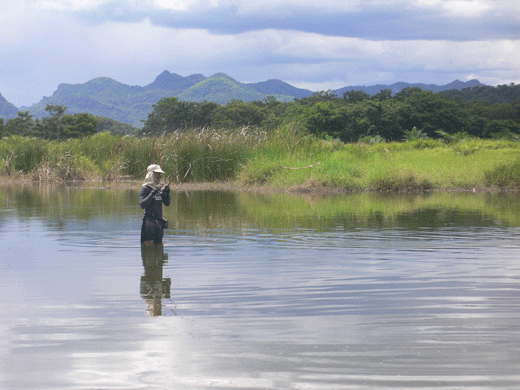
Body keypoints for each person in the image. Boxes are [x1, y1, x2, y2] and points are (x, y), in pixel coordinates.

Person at [140, 164, 171, 245]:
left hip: (159, 223)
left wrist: (167, 192)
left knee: (159, 249)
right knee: (149, 250)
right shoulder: (145, 189)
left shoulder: (160, 189)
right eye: (157, 174)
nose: (160, 176)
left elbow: (167, 203)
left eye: (160, 174)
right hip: (149, 223)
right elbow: (142, 205)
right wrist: (153, 192)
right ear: (151, 175)